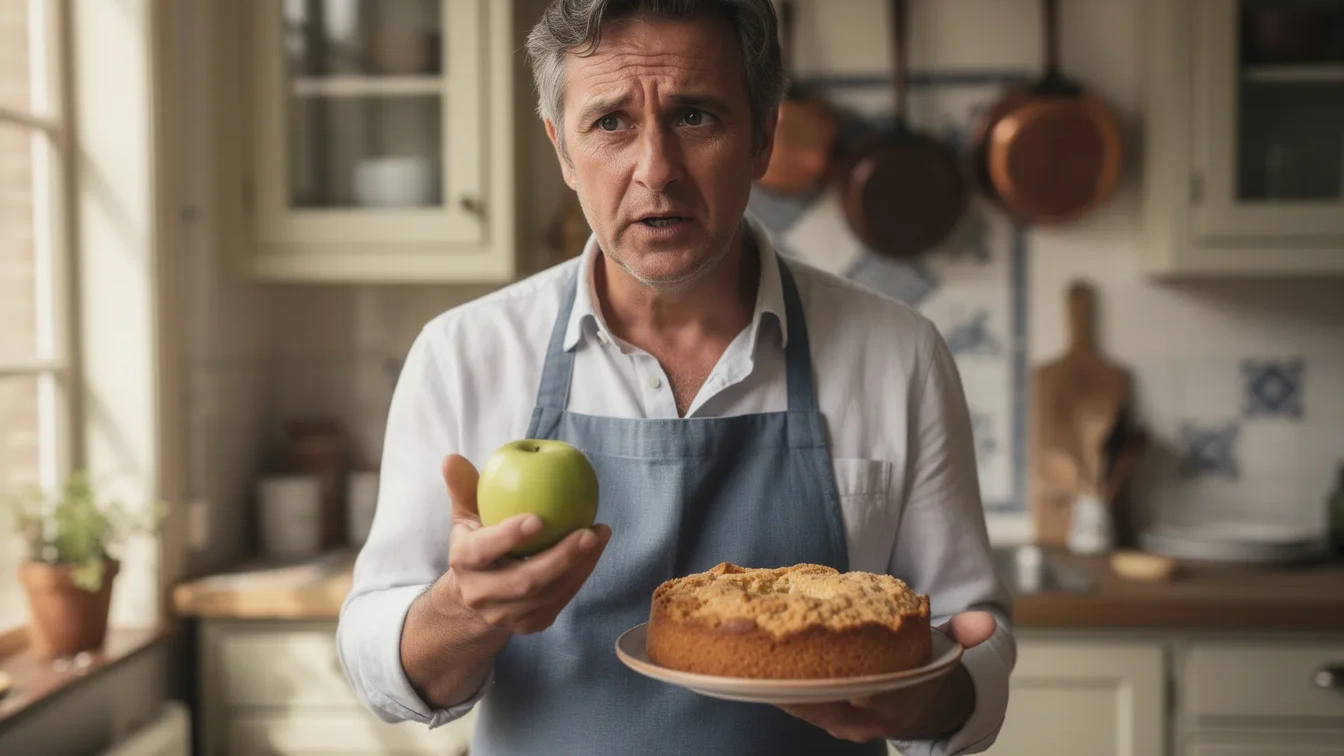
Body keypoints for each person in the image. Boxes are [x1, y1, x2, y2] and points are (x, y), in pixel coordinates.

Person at [336, 1, 1014, 754]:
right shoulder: (463, 355)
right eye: (611, 123)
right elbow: (375, 658)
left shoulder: (899, 355)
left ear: (762, 137)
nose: (655, 169)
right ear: (562, 150)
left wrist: (924, 701)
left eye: (695, 117)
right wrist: (466, 608)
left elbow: (969, 644)